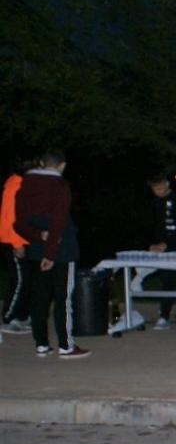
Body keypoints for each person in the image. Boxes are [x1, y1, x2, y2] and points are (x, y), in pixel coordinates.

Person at [13, 150, 90, 359]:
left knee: (40, 297)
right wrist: (51, 253)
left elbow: (18, 223)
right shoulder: (60, 186)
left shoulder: (25, 185)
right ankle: (66, 345)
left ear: (41, 163)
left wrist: (38, 235)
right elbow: (59, 221)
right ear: (62, 165)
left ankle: (41, 344)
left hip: (36, 248)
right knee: (62, 298)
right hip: (61, 249)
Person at [145, 174, 176, 329]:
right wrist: (152, 244)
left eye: (159, 187)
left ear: (167, 184)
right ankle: (164, 315)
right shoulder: (154, 203)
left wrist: (168, 243)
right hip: (163, 250)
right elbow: (153, 227)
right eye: (154, 188)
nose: (157, 191)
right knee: (167, 281)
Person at [0, 163, 32, 334]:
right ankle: (8, 317)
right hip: (13, 241)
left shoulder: (20, 184)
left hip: (22, 240)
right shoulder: (15, 186)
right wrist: (17, 244)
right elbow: (11, 217)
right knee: (19, 280)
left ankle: (21, 315)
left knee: (25, 279)